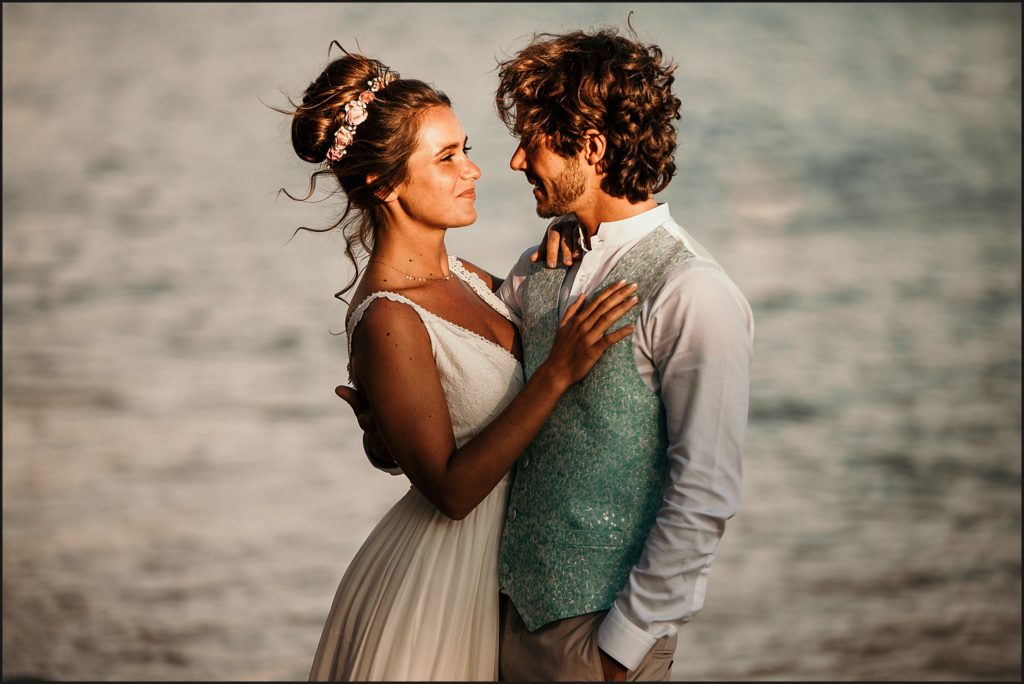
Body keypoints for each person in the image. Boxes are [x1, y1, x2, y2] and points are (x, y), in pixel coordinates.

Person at [342, 26, 755, 681]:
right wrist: (385, 433)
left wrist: (621, 648)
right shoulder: (537, 269)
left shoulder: (693, 292)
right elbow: (466, 396)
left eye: (527, 140)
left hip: (595, 639)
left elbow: (703, 496)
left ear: (590, 148)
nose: (510, 163)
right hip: (486, 618)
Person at [282, 44, 641, 681]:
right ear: (383, 183)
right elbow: (449, 490)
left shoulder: (475, 279)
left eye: (466, 148)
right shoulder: (389, 316)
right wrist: (557, 371)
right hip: (437, 582)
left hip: (506, 577)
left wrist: (562, 249)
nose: (474, 170)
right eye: (446, 158)